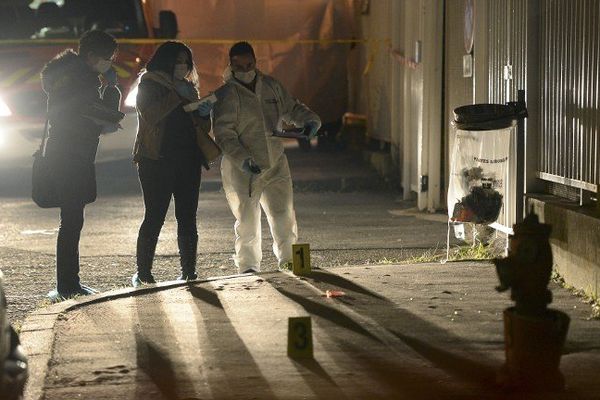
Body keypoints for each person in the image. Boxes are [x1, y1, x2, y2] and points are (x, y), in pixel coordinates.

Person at [213, 41, 321, 273]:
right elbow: (224, 134)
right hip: (243, 170)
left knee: (283, 213)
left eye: (248, 64)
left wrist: (310, 120)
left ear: (255, 61)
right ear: (230, 64)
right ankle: (248, 266)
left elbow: (292, 108)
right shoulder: (227, 95)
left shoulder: (271, 86)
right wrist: (242, 158)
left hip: (275, 162)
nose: (244, 69)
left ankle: (289, 259)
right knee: (247, 219)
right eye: (238, 65)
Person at [41, 29, 121, 301]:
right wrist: (110, 89)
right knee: (72, 219)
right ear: (91, 56)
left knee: (72, 218)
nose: (109, 63)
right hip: (71, 155)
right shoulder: (82, 81)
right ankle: (67, 285)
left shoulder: (67, 77)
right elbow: (104, 116)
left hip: (66, 153)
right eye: (107, 58)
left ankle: (68, 282)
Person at [132, 41, 213, 287]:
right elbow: (151, 115)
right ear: (165, 61)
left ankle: (189, 272)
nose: (183, 67)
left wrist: (203, 111)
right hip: (156, 159)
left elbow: (203, 129)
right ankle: (143, 273)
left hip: (188, 159)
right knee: (155, 214)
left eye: (187, 62)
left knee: (188, 216)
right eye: (179, 61)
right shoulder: (149, 83)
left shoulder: (188, 86)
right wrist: (178, 97)